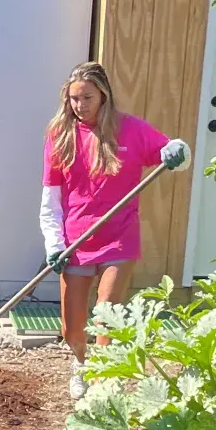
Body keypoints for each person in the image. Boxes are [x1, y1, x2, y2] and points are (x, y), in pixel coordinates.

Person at [40, 61, 189, 400]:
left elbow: (173, 150)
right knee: (72, 324)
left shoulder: (131, 130)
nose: (80, 106)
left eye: (87, 98)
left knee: (107, 311)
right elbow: (50, 197)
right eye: (74, 99)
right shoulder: (59, 135)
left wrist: (178, 150)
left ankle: (103, 379)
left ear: (104, 96)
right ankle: (81, 365)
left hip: (119, 237)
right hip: (76, 239)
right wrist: (53, 242)